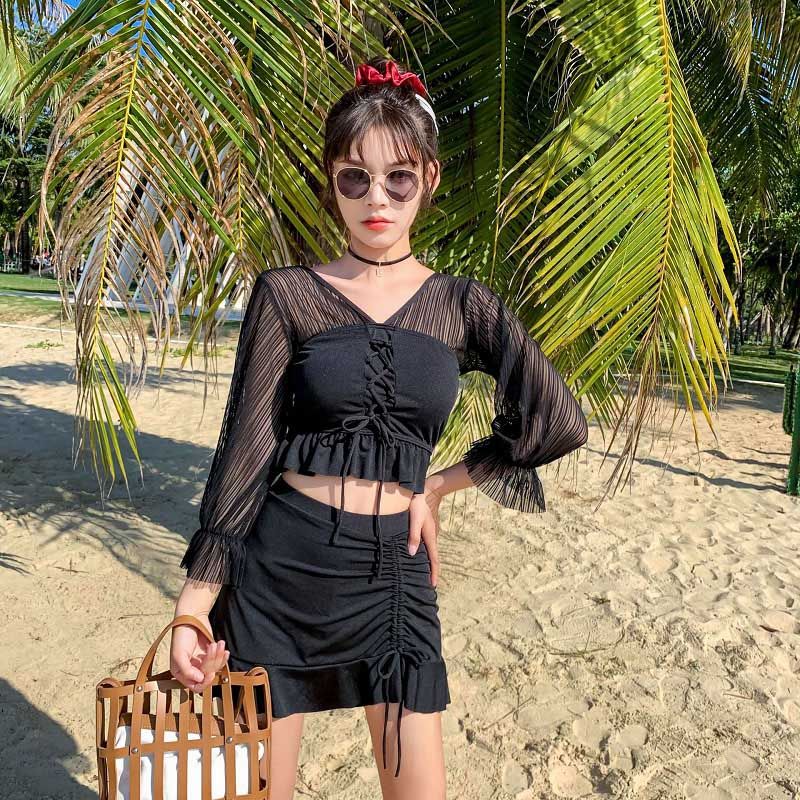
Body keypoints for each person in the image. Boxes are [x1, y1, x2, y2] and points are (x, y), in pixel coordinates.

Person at [169, 56, 588, 799]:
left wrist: (438, 486)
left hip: (396, 579)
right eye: (354, 178)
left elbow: (555, 418)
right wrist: (193, 609)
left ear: (428, 178)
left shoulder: (461, 305)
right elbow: (248, 448)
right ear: (331, 181)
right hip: (280, 575)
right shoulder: (289, 295)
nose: (376, 199)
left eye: (398, 178)